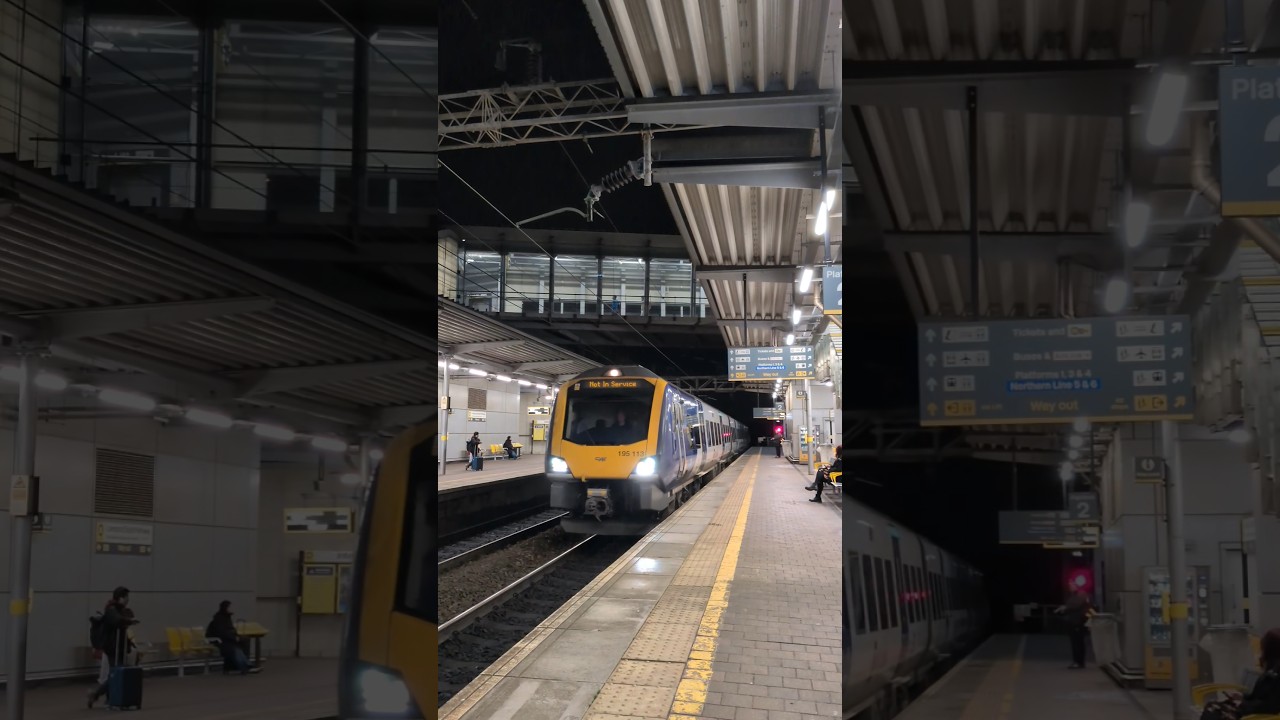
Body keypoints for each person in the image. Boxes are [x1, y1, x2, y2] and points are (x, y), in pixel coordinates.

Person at [1201, 628, 1280, 720]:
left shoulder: (1275, 674)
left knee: (1213, 712)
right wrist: (1241, 697)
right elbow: (1261, 697)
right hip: (1250, 709)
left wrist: (1243, 704)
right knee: (1211, 706)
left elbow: (1271, 705)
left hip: (1254, 714)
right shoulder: (1273, 670)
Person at [87, 586, 139, 708]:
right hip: (112, 647)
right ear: (120, 598)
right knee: (117, 673)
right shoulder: (111, 609)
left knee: (116, 673)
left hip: (119, 647)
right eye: (126, 597)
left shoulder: (120, 609)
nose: (128, 600)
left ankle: (102, 696)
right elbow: (117, 620)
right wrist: (129, 621)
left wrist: (129, 619)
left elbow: (127, 617)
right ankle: (99, 695)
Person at [206, 600, 259, 675]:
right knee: (234, 648)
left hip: (227, 640)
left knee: (241, 643)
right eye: (230, 607)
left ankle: (244, 666)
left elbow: (230, 630)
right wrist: (234, 638)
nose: (232, 609)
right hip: (220, 640)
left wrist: (236, 636)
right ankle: (245, 666)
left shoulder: (227, 617)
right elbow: (222, 632)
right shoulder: (219, 618)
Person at [1055, 585, 1095, 669]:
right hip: (1075, 621)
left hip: (1077, 622)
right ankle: (1078, 661)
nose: (1070, 586)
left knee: (1077, 642)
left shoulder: (1081, 594)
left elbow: (1074, 605)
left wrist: (1065, 608)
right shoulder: (1076, 595)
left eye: (1072, 585)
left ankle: (1078, 662)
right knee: (1077, 642)